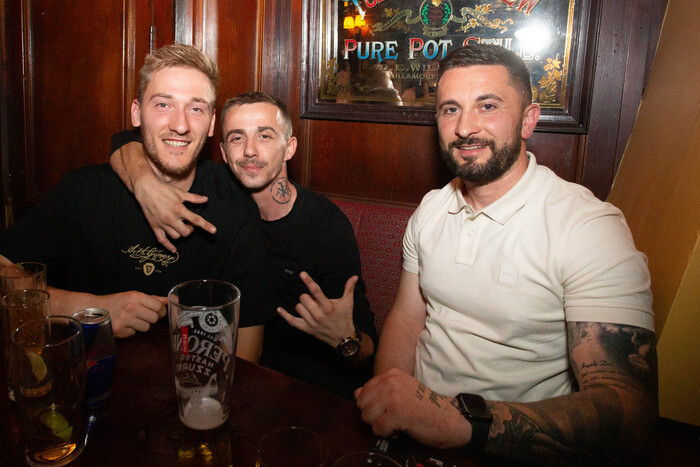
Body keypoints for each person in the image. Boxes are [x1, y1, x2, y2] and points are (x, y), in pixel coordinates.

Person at [353, 44, 657, 464]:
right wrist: (390, 407)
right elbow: (407, 321)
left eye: (488, 106)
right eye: (450, 109)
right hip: (413, 441)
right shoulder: (432, 209)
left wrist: (458, 423)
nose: (465, 127)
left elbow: (630, 413)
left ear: (528, 119)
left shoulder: (587, 228)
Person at [0, 44, 274, 362]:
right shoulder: (82, 191)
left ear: (212, 123)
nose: (180, 125)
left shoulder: (235, 208)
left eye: (196, 109)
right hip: (88, 379)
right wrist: (91, 310)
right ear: (136, 113)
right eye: (163, 105)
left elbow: (247, 350)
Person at [110, 92, 378, 399]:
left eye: (264, 136)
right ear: (223, 153)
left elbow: (367, 351)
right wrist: (143, 184)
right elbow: (125, 141)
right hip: (229, 377)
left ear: (289, 147)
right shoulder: (211, 201)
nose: (250, 150)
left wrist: (344, 338)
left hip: (310, 390)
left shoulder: (324, 225)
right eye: (237, 138)